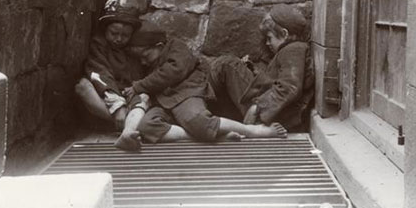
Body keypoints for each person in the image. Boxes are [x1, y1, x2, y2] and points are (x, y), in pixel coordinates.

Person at [117, 22, 288, 151]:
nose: (143, 61)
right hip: (164, 101)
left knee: (198, 121)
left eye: (145, 55)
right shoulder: (145, 64)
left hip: (185, 92)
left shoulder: (176, 48)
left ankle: (253, 130)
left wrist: (140, 85)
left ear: (159, 47)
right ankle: (213, 137)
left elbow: (174, 71)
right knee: (146, 128)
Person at [208, 4, 314, 132]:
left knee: (226, 65)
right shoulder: (291, 50)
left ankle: (202, 115)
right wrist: (252, 69)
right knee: (228, 66)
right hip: (270, 109)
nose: (267, 43)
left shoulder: (294, 49)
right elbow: (275, 79)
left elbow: (289, 87)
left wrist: (257, 107)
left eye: (269, 38)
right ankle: (205, 114)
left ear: (285, 34)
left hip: (271, 115)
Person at [74, 0, 151, 150]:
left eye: (125, 35)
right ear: (105, 29)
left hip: (129, 98)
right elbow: (100, 74)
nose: (118, 39)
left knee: (145, 97)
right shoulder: (99, 45)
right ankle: (126, 124)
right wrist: (117, 106)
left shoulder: (134, 49)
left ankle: (128, 129)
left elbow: (138, 81)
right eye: (114, 33)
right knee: (82, 86)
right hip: (106, 99)